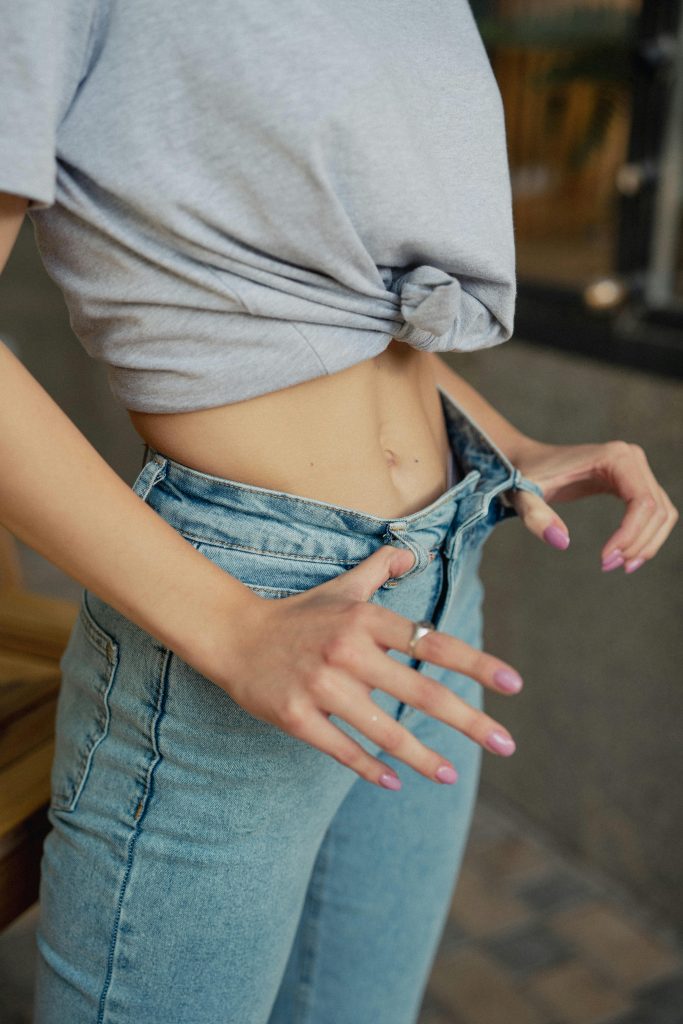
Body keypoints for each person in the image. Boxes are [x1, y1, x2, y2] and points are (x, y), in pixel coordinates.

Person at [0, 2, 677, 1022]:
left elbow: (337, 317)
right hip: (240, 605)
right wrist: (230, 624)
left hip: (438, 579)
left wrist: (517, 445)